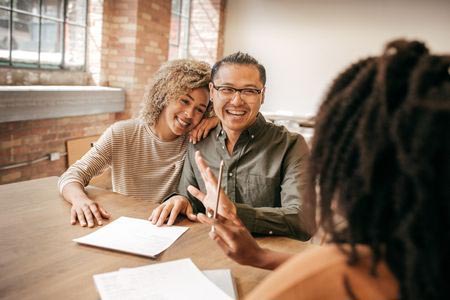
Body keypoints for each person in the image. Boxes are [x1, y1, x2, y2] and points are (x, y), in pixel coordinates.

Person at [196, 39, 450, 299]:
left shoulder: (334, 276)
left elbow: (326, 259)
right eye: (228, 89)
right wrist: (262, 257)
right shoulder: (417, 263)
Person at [149, 52, 317, 240]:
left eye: (249, 91)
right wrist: (180, 201)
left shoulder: (291, 146)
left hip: (264, 261)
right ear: (212, 92)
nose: (237, 101)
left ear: (262, 95)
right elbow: (190, 199)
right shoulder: (198, 141)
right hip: (205, 251)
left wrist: (235, 213)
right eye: (227, 89)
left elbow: (304, 223)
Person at [58, 59, 218, 228]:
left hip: (169, 229)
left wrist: (219, 121)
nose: (189, 114)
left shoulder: (196, 143)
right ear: (165, 94)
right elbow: (72, 175)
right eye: (185, 101)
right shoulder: (122, 133)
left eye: (200, 109)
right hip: (125, 225)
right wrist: (80, 200)